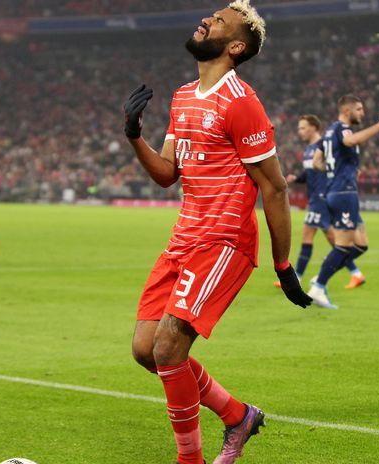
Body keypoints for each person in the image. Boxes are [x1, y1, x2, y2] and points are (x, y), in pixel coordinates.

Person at [122, 2, 312, 463]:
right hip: (183, 237)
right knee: (146, 350)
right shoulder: (183, 96)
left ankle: (190, 460)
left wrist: (283, 264)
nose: (207, 19)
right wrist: (134, 135)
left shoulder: (241, 102)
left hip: (223, 242)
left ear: (236, 46)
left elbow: (275, 186)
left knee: (169, 347)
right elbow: (169, 173)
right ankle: (238, 415)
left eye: (219, 20)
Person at [307, 95, 379, 309]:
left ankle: (321, 276)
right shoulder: (342, 129)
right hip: (343, 193)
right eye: (359, 109)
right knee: (343, 246)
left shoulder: (328, 132)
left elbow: (316, 161)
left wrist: (334, 170)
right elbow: (350, 140)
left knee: (361, 244)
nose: (362, 113)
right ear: (347, 111)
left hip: (340, 191)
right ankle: (319, 286)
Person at [277, 115, 364, 289]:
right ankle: (354, 274)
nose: (299, 131)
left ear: (313, 128)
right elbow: (311, 175)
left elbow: (333, 170)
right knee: (320, 238)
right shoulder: (310, 149)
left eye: (302, 128)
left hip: (323, 199)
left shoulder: (324, 145)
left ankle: (354, 274)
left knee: (331, 240)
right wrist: (297, 177)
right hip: (315, 198)